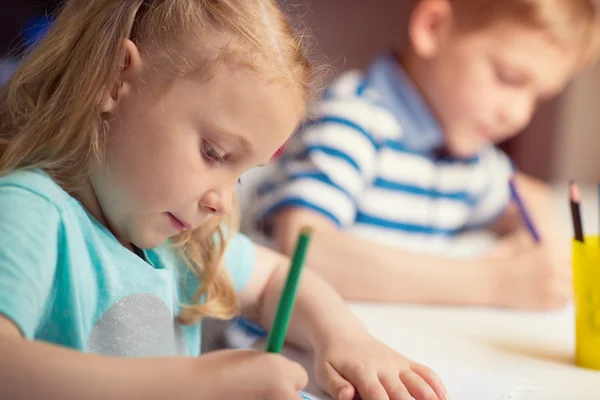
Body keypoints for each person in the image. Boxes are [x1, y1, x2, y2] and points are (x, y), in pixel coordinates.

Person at [0, 1, 448, 399]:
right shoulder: (32, 211)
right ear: (115, 79)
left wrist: (345, 337)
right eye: (214, 153)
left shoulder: (173, 241)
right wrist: (196, 384)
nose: (222, 203)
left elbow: (277, 280)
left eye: (242, 175)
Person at [257, 0, 600, 310]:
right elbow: (304, 250)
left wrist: (538, 244)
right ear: (433, 28)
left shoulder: (468, 155)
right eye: (508, 78)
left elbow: (528, 194)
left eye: (538, 97)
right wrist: (492, 282)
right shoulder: (355, 120)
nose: (519, 114)